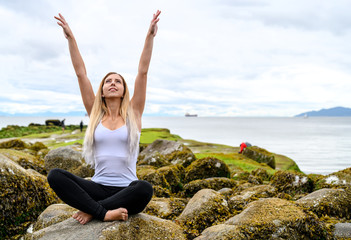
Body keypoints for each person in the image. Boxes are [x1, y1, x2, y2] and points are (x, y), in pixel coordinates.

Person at [47, 10, 161, 225]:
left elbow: (142, 73)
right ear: (101, 90)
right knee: (55, 175)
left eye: (118, 81)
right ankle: (106, 211)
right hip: (97, 187)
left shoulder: (134, 114)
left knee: (144, 188)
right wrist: (71, 38)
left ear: (124, 90)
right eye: (108, 81)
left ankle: (94, 212)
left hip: (128, 190)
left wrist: (150, 37)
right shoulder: (94, 115)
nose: (113, 83)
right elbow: (81, 74)